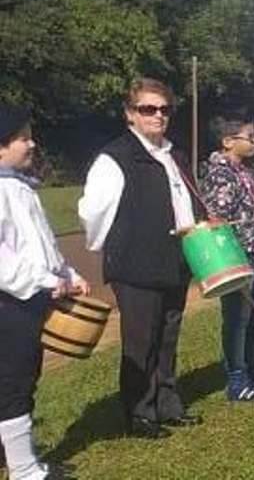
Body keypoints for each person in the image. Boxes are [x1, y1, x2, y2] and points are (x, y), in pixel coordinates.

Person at [78, 78, 201, 438]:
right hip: (136, 264)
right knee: (141, 341)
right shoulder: (115, 158)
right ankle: (140, 413)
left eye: (164, 109)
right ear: (130, 114)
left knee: (167, 337)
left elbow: (185, 203)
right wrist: (118, 248)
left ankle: (167, 402)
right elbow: (93, 212)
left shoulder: (174, 155)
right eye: (148, 109)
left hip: (174, 260)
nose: (157, 116)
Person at [1, 106, 89, 480]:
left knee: (24, 376)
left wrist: (66, 271)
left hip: (29, 297)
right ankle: (24, 470)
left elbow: (41, 244)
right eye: (23, 137)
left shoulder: (18, 185)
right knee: (13, 382)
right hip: (9, 302)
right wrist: (46, 281)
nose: (32, 142)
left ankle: (14, 459)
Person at [199, 116, 254, 401]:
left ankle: (251, 368)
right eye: (250, 136)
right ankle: (237, 381)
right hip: (237, 256)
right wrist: (231, 258)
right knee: (237, 319)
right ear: (228, 141)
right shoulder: (220, 174)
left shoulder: (243, 171)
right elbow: (218, 217)